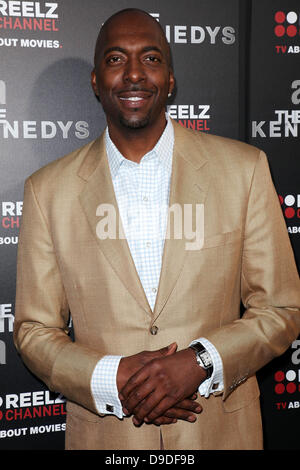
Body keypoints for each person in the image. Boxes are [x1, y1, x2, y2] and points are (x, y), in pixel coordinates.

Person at [14, 8, 300, 450]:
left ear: (170, 78)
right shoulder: (46, 191)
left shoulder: (243, 170)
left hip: (220, 435)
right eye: (115, 59)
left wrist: (201, 361)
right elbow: (33, 331)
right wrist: (116, 377)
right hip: (107, 439)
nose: (133, 74)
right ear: (95, 81)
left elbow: (280, 309)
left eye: (150, 58)